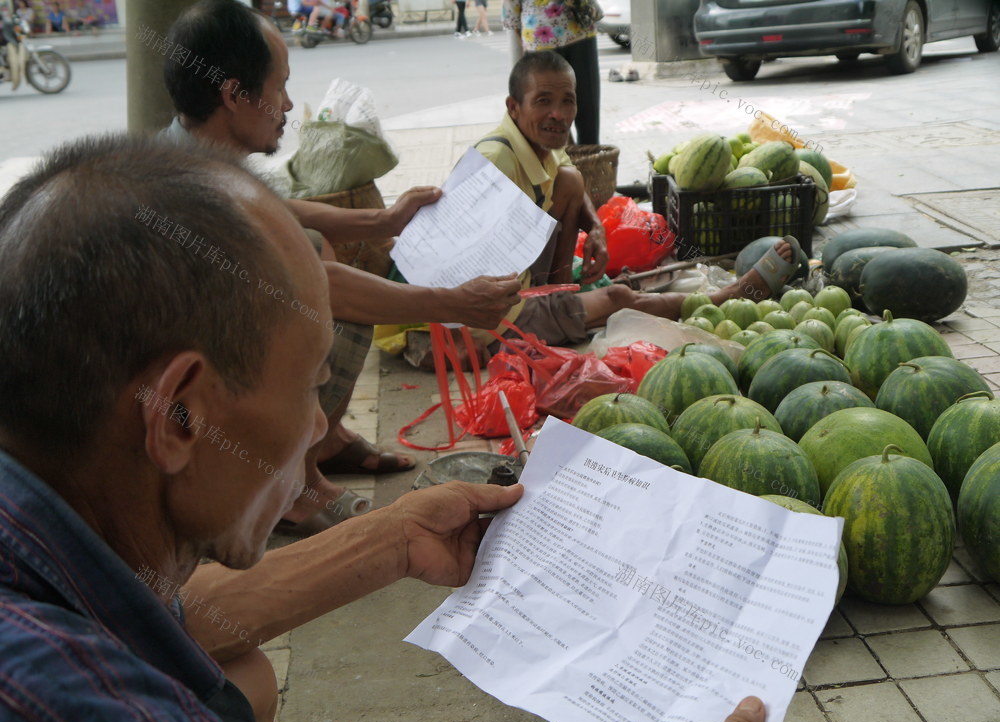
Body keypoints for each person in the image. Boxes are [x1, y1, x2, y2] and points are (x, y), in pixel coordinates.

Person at [0, 132, 799, 722]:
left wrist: (392, 538)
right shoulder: (95, 720)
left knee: (241, 680)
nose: (321, 428)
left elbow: (163, 617)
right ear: (181, 417)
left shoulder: (54, 525)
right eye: (311, 388)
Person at [163, 0, 522, 536]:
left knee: (312, 245)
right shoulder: (197, 197)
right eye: (279, 87)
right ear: (234, 95)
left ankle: (321, 441)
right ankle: (289, 484)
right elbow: (317, 286)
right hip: (184, 408)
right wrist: (453, 303)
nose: (287, 105)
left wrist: (385, 219)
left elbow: (278, 209)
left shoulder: (190, 147)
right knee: (327, 306)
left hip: (200, 359)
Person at [474, 51, 799, 347]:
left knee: (570, 180)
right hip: (497, 315)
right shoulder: (495, 163)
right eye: (543, 101)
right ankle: (727, 297)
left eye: (567, 101)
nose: (558, 114)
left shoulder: (536, 143)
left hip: (520, 281)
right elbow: (460, 267)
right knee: (618, 297)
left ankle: (563, 298)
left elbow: (571, 182)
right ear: (513, 107)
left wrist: (596, 230)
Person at [503, 0, 600, 144]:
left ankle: (588, 160)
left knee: (586, 110)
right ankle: (559, 160)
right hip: (542, 37)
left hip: (578, 31)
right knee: (549, 112)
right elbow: (512, 14)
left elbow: (511, 15)